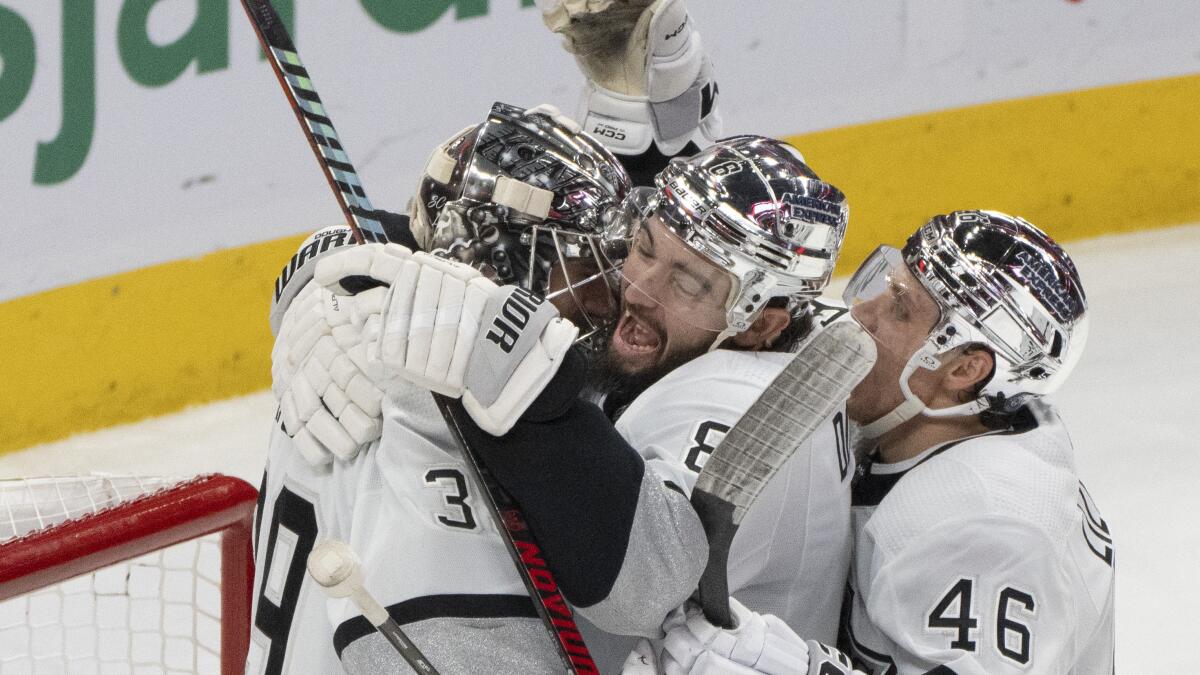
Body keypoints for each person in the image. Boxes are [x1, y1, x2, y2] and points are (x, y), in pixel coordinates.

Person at [636, 210, 1114, 675]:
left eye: (899, 309)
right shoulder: (938, 428)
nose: (862, 313)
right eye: (884, 286)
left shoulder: (987, 528)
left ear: (965, 369)